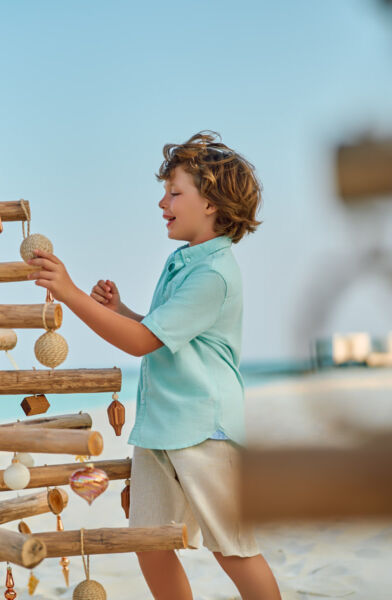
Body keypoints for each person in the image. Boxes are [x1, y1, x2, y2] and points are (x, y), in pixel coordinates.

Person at [28, 131, 281, 600]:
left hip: (206, 429)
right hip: (160, 426)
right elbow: (163, 335)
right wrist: (120, 310)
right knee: (149, 543)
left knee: (234, 549)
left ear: (211, 203)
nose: (162, 201)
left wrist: (71, 294)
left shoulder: (214, 273)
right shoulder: (181, 261)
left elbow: (142, 344)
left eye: (174, 192)